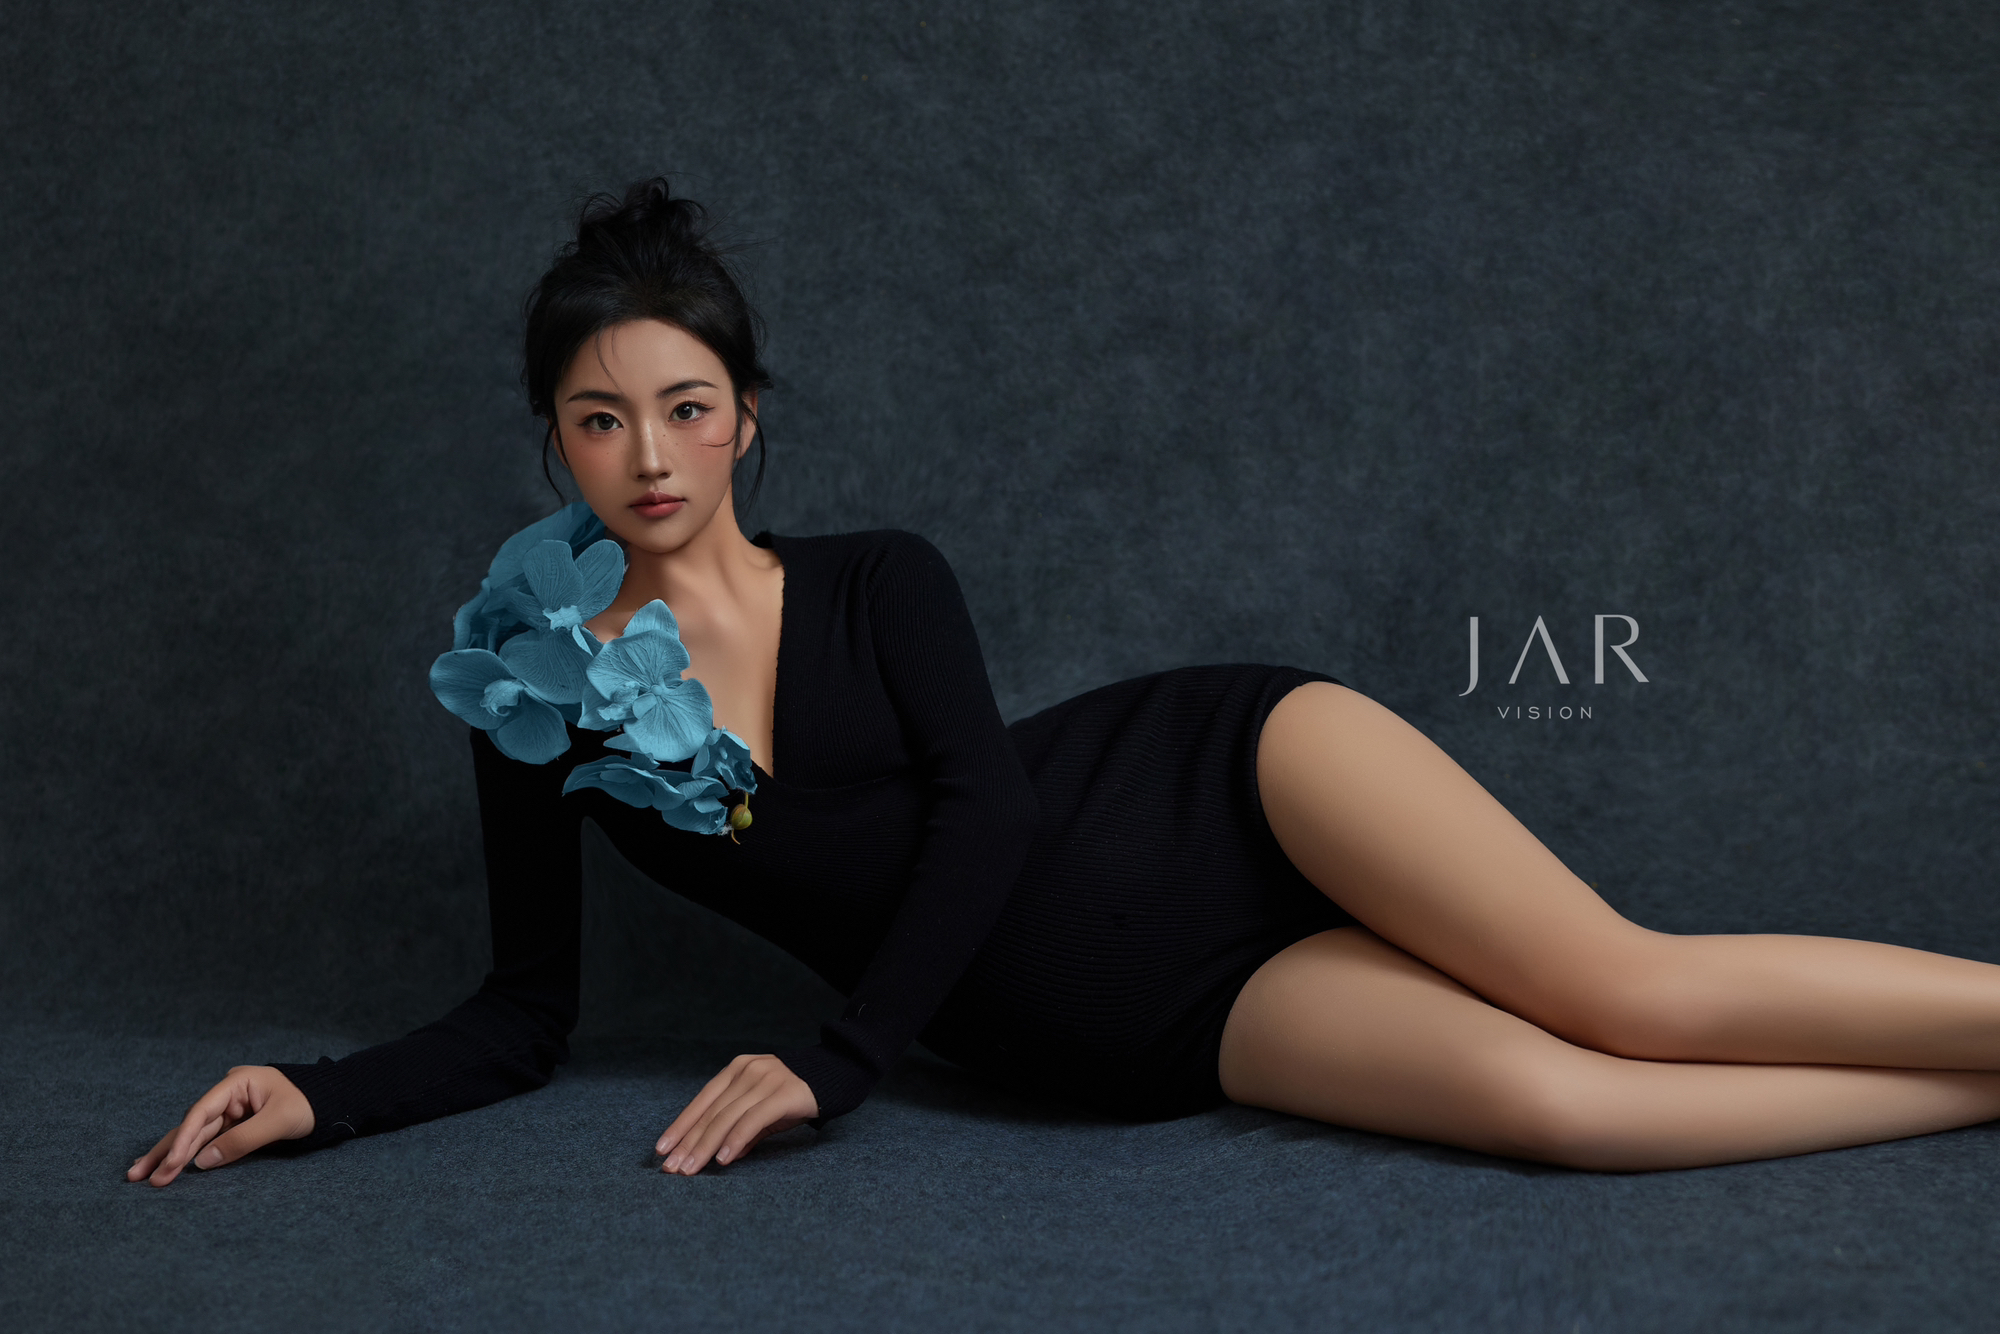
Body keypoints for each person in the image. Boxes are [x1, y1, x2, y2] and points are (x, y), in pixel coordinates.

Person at [130, 179, 2000, 1187]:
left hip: (1220, 777)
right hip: (1117, 1022)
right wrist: (321, 1091)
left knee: (1629, 992)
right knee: (1569, 1113)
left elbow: (988, 809)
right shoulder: (534, 696)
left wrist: (842, 1057)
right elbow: (526, 1008)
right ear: (552, 437)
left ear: (746, 417)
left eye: (686, 407)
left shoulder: (881, 580)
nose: (650, 453)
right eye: (600, 417)